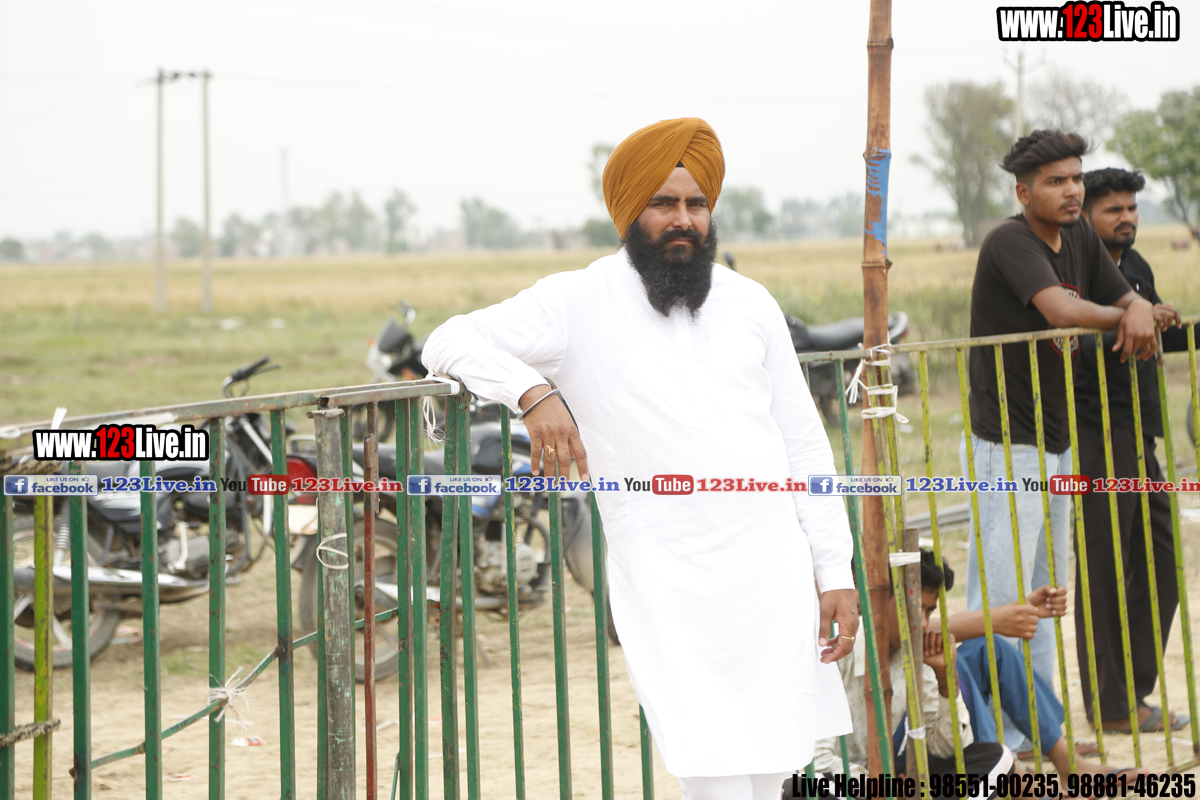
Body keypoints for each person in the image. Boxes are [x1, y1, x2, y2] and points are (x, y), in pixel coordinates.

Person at [422, 117, 858, 800]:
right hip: (666, 578)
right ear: (629, 211)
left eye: (695, 204)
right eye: (663, 203)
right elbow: (448, 340)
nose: (683, 219)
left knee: (776, 765)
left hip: (770, 572)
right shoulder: (575, 300)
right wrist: (532, 392)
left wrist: (835, 569)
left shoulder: (750, 303)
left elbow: (803, 444)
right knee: (709, 766)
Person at [962, 130, 1158, 749]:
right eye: (1055, 181)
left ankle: (1038, 736)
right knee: (1001, 598)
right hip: (1007, 443)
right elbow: (1063, 311)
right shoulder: (1010, 241)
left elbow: (1118, 291)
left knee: (1046, 599)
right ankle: (992, 743)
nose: (1072, 190)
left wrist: (1135, 305)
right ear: (1024, 193)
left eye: (1076, 177)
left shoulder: (1079, 237)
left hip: (1057, 438)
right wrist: (1134, 313)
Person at [1072, 167, 1192, 735]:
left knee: (1162, 562)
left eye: (1132, 208)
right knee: (1105, 569)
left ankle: (1133, 692)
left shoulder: (1135, 266)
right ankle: (1112, 706)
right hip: (1097, 434)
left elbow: (1164, 331)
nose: (1126, 218)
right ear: (1085, 217)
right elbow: (1071, 339)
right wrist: (1127, 320)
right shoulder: (1077, 273)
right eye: (1113, 209)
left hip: (1141, 434)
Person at [806, 551, 1012, 797]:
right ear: (879, 600)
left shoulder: (914, 657)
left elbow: (951, 748)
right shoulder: (836, 650)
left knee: (996, 758)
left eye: (928, 611)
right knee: (807, 786)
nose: (923, 623)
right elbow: (816, 760)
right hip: (839, 785)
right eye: (914, 609)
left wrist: (945, 678)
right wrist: (881, 786)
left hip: (880, 782)